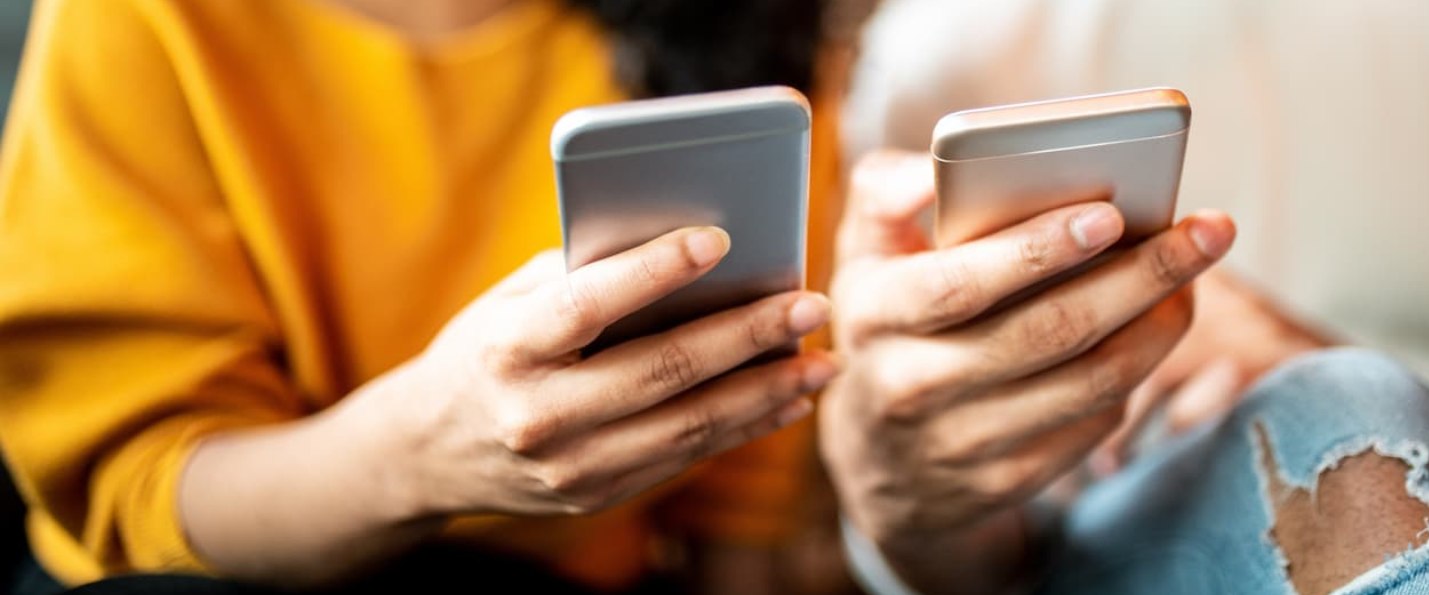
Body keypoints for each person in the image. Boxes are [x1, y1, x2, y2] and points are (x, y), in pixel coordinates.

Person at [0, 0, 849, 592]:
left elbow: (739, 492)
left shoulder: (747, 24)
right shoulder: (147, 17)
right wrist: (420, 456)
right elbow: (144, 484)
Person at [823, 0, 1429, 592]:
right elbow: (967, 550)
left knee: (1354, 415)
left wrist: (1324, 390)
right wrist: (909, 512)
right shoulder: (931, 50)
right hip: (1073, 546)